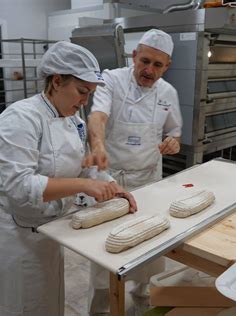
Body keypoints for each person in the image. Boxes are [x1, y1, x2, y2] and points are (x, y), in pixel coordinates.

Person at [0, 41, 137, 316]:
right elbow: (20, 186)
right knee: (19, 307)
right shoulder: (20, 118)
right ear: (57, 81)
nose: (85, 102)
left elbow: (83, 167)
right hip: (13, 232)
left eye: (90, 94)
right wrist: (85, 186)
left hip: (47, 229)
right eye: (82, 92)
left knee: (46, 303)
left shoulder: (74, 121)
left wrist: (109, 184)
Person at [84, 29, 183, 315]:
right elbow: (97, 116)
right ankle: (99, 309)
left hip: (149, 179)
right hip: (112, 179)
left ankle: (142, 302)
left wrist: (173, 143)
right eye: (145, 61)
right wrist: (98, 145)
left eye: (157, 65)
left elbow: (173, 133)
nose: (149, 70)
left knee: (149, 245)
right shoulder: (111, 80)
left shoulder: (168, 92)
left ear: (167, 66)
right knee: (104, 252)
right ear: (134, 56)